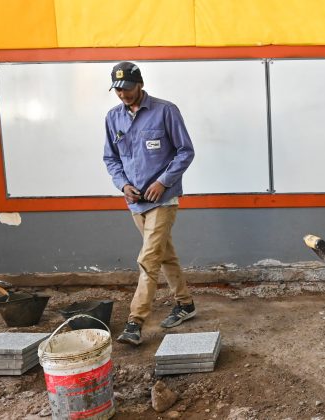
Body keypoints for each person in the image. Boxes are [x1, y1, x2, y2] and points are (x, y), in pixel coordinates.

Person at [103, 61, 196, 345]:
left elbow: (185, 152)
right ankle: (185, 303)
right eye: (118, 90)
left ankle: (135, 321)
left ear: (140, 84)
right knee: (163, 255)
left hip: (163, 200)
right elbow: (111, 159)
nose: (123, 94)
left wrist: (162, 182)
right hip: (135, 203)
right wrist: (123, 185)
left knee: (148, 259)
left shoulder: (165, 111)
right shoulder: (113, 118)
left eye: (128, 88)